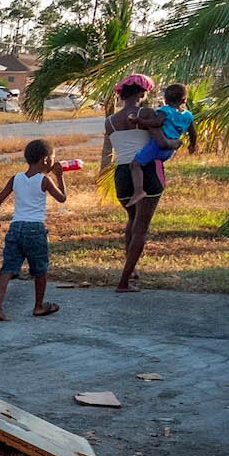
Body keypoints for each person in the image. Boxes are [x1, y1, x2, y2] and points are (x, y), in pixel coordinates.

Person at [0, 138, 68, 321]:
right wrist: (60, 176)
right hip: (35, 229)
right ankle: (38, 306)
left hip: (16, 228)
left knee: (7, 269)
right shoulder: (44, 180)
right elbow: (62, 198)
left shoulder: (16, 178)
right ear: (46, 160)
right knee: (40, 270)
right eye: (52, 158)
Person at [103, 74, 161, 292]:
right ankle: (124, 281)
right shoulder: (144, 114)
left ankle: (132, 268)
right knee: (141, 229)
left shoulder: (109, 122)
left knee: (132, 221)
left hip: (122, 174)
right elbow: (160, 139)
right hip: (146, 172)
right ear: (141, 93)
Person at [124, 82, 197, 206]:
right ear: (184, 99)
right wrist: (192, 145)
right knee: (155, 163)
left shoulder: (166, 111)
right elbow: (193, 133)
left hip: (157, 146)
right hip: (169, 151)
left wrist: (138, 120)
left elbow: (156, 123)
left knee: (135, 164)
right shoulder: (188, 116)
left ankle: (139, 190)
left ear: (165, 99)